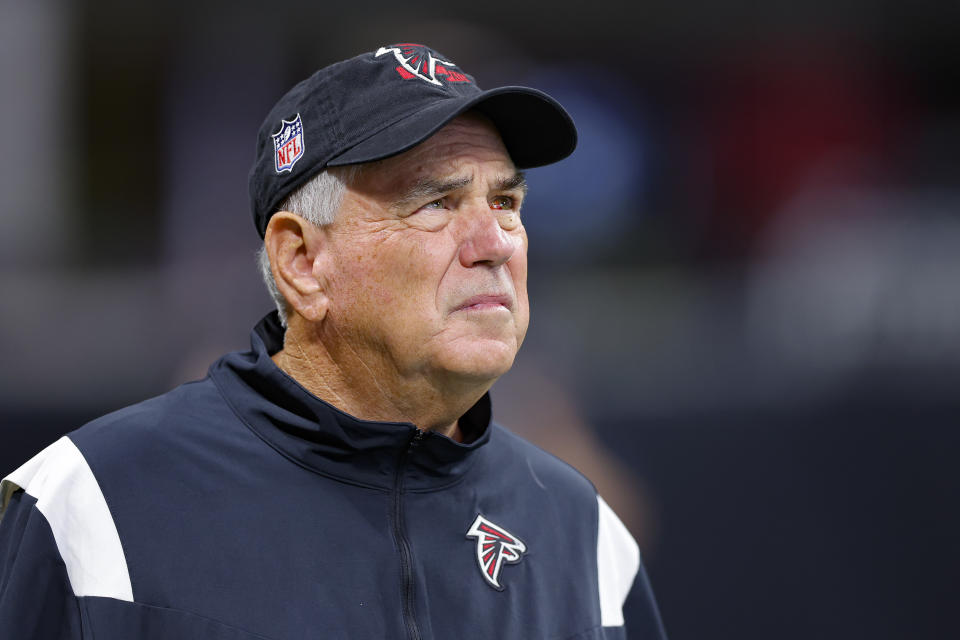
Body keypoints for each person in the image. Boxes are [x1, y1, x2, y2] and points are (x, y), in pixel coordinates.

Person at [0, 43, 666, 639]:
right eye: (436, 202)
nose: (495, 243)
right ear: (302, 262)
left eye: (506, 203)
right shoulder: (97, 504)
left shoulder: (584, 534)